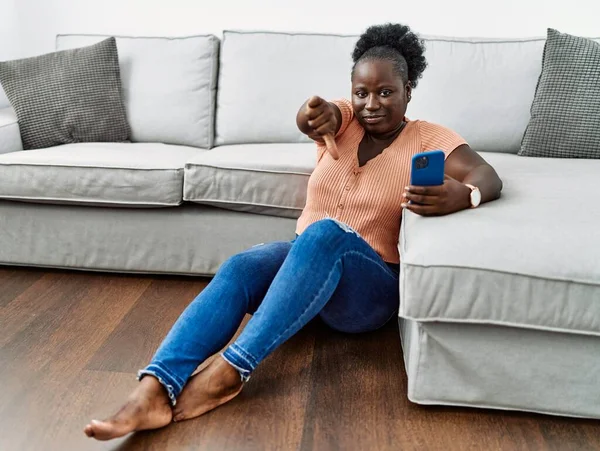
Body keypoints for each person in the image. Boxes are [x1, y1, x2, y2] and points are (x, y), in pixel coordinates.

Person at [84, 22, 502, 441]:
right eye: (362, 92)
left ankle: (231, 371)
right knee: (242, 266)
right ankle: (153, 390)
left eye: (385, 92)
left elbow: (487, 175)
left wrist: (464, 196)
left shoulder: (430, 138)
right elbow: (318, 115)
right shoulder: (345, 120)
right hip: (303, 269)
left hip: (368, 290)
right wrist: (312, 113)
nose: (371, 103)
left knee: (324, 234)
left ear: (408, 90)